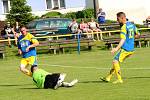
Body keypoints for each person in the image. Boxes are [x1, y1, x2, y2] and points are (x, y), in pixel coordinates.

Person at [100, 12, 140, 84]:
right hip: (131, 49)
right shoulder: (132, 25)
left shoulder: (124, 27)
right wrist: (131, 39)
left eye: (118, 19)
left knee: (115, 61)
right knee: (116, 63)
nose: (117, 20)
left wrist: (116, 48)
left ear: (122, 18)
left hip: (126, 49)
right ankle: (108, 77)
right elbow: (138, 34)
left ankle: (119, 79)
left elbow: (123, 39)